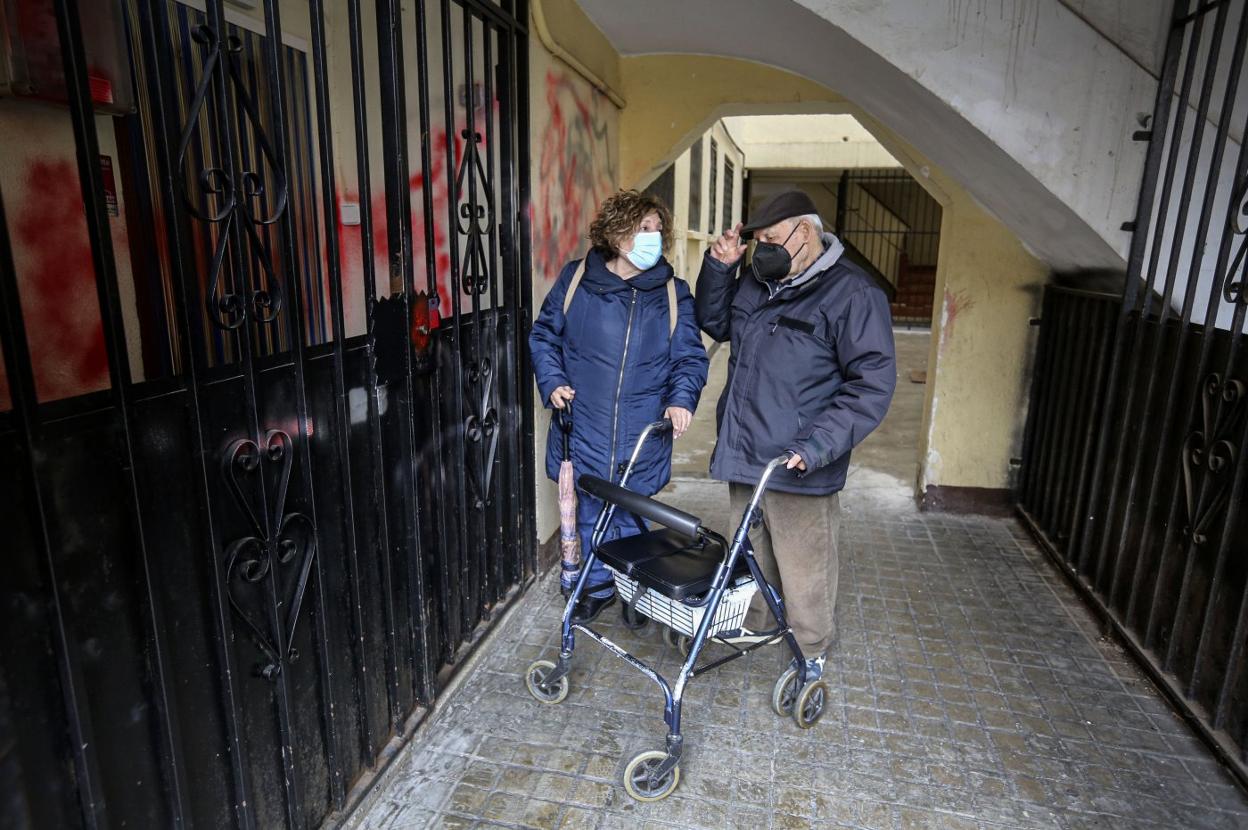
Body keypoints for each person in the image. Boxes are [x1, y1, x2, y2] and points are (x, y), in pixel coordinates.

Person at [695, 188, 896, 682]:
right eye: (757, 239)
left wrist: (816, 446)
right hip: (746, 450)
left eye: (769, 238)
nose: (761, 248)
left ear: (804, 232)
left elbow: (871, 383)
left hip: (799, 458)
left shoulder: (853, 294)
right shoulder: (758, 281)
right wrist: (720, 269)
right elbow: (715, 323)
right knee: (751, 550)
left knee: (805, 565)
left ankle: (810, 650)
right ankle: (758, 625)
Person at [530, 190, 709, 624]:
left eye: (657, 229)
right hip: (583, 425)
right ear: (616, 233)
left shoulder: (672, 293)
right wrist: (552, 380)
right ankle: (596, 587)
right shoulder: (577, 281)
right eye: (643, 228)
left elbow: (689, 356)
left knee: (632, 514)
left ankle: (636, 590)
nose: (653, 236)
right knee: (590, 512)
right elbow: (544, 336)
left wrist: (681, 400)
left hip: (641, 429)